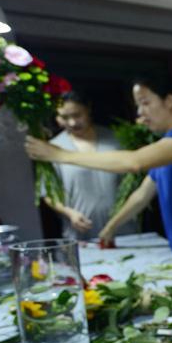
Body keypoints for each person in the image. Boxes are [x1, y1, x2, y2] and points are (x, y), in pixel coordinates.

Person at [25, 75, 172, 283]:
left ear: (169, 101)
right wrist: (110, 228)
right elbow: (142, 195)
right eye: (138, 106)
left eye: (145, 103)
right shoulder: (167, 145)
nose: (140, 113)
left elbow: (134, 162)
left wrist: (60, 155)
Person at [43, 91, 134, 241]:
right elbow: (48, 194)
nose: (72, 122)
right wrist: (69, 213)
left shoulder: (116, 139)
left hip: (123, 228)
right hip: (80, 232)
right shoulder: (53, 149)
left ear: (88, 110)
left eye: (77, 115)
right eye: (65, 117)